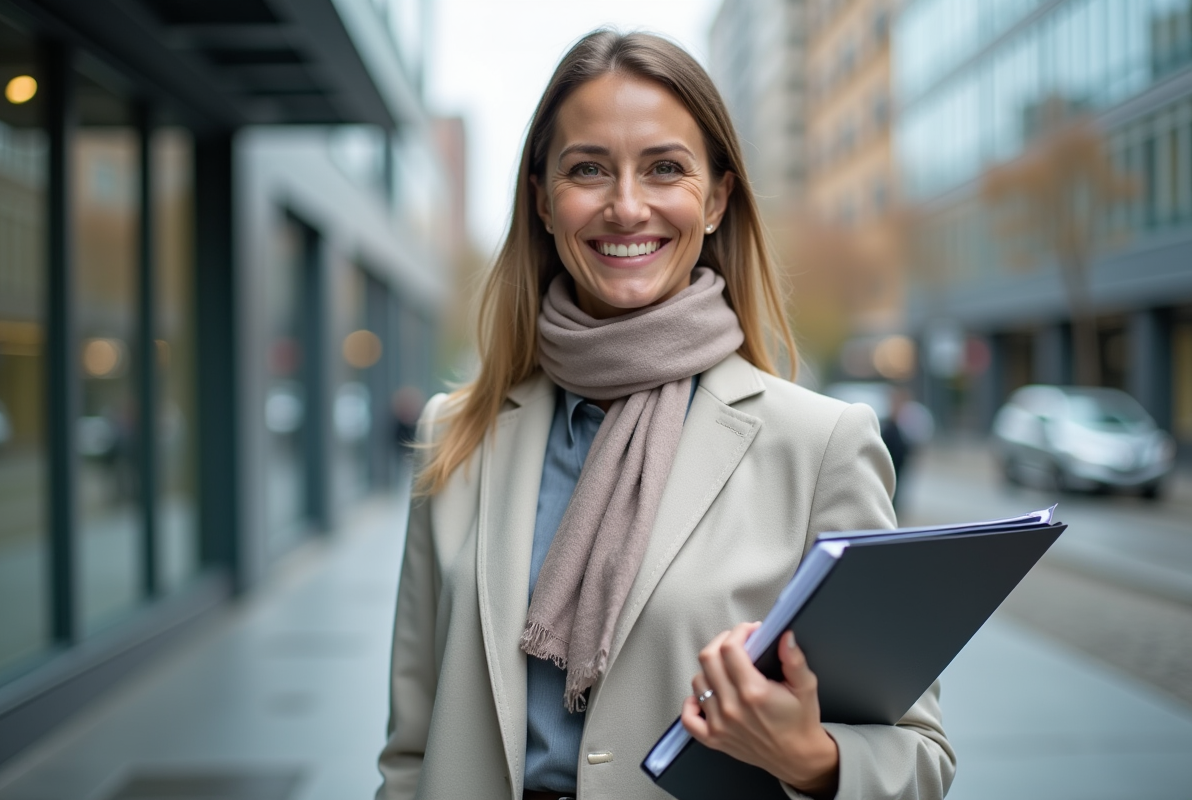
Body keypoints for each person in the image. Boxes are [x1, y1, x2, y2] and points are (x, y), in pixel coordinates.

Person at [376, 30, 955, 800]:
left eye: (665, 168)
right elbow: (411, 754)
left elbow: (918, 757)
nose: (626, 206)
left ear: (715, 200)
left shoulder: (820, 446)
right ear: (542, 200)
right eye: (588, 169)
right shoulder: (456, 436)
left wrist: (809, 757)